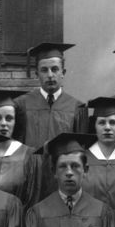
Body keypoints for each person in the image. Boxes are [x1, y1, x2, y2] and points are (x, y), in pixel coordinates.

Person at [18, 42, 83, 196]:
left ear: (63, 72)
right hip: (30, 180)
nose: (50, 75)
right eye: (44, 70)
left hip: (64, 179)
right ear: (36, 73)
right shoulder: (21, 104)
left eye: (55, 69)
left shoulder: (77, 107)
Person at [0, 88, 41, 209]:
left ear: (16, 122)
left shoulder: (29, 155)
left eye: (9, 118)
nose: (3, 123)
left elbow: (33, 198)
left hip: (18, 223)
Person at [82, 96, 115, 211]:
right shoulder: (82, 160)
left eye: (113, 122)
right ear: (94, 127)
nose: (107, 127)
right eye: (102, 123)